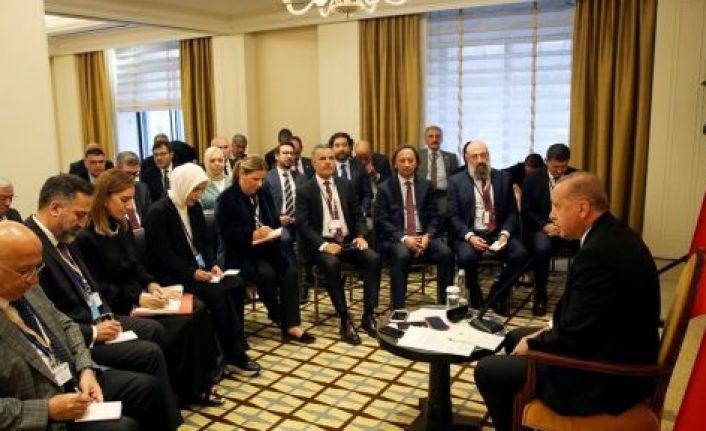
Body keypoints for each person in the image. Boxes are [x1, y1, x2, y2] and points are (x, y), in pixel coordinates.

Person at [474, 172, 661, 431]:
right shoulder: (611, 234)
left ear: (582, 208)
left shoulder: (599, 253)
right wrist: (541, 334)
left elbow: (573, 336)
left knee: (488, 370)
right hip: (610, 344)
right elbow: (583, 315)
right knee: (515, 336)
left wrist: (535, 342)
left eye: (557, 206)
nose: (551, 215)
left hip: (607, 376)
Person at [24, 174, 182, 430]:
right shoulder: (30, 246)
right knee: (149, 353)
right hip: (80, 335)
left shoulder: (64, 235)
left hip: (97, 318)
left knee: (154, 331)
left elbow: (90, 284)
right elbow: (51, 318)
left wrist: (106, 314)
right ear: (55, 208)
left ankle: (166, 410)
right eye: (79, 215)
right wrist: (95, 331)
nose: (83, 222)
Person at [0, 221, 175, 431]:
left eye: (37, 268)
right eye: (25, 271)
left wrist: (86, 369)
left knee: (147, 388)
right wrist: (48, 410)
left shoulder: (27, 287)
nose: (35, 279)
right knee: (123, 427)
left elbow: (67, 325)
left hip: (73, 379)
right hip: (38, 408)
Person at [74, 169, 223, 405]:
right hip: (119, 304)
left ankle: (200, 382)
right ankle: (183, 389)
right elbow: (99, 286)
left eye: (130, 200)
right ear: (104, 198)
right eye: (123, 200)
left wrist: (152, 284)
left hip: (138, 296)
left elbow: (136, 266)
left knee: (197, 308)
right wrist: (138, 298)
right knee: (183, 323)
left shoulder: (122, 225)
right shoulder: (85, 237)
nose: (129, 207)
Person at [144, 163, 260, 376]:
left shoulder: (194, 207)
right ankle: (231, 355)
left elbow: (205, 243)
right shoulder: (159, 212)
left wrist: (213, 263)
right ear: (183, 185)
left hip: (197, 271)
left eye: (201, 190)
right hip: (172, 276)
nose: (198, 195)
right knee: (218, 294)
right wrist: (192, 272)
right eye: (195, 189)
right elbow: (162, 254)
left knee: (235, 283)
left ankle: (232, 346)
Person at [217, 156, 315, 344]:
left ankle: (292, 324)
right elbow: (226, 234)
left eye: (262, 179)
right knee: (266, 273)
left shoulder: (263, 193)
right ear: (242, 174)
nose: (260, 184)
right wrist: (251, 235)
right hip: (241, 253)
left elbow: (274, 219)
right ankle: (278, 316)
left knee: (290, 271)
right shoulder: (227, 199)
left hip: (268, 247)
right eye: (255, 179)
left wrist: (272, 230)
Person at [296, 144, 381, 345]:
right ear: (314, 163)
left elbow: (358, 215)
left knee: (374, 259)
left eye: (331, 158)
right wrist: (324, 246)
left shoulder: (346, 185)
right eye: (323, 158)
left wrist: (360, 235)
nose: (328, 162)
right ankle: (344, 319)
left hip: (347, 241)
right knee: (332, 263)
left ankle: (368, 314)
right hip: (321, 245)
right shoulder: (305, 190)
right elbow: (303, 226)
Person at [447, 139, 528, 312]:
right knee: (466, 257)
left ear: (488, 156)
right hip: (470, 233)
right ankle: (475, 294)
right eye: (475, 156)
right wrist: (470, 237)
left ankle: (497, 293)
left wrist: (505, 234)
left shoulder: (504, 178)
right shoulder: (456, 181)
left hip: (497, 232)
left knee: (521, 255)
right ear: (467, 158)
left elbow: (512, 213)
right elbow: (453, 217)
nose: (480, 160)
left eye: (483, 155)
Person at [374, 145, 454, 310]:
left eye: (410, 160)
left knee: (446, 253)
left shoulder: (426, 185)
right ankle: (398, 309)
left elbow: (435, 216)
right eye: (402, 160)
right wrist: (404, 238)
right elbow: (381, 220)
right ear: (395, 164)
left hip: (423, 236)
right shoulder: (385, 188)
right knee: (401, 255)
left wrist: (428, 236)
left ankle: (444, 305)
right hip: (396, 238)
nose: (406, 164)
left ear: (417, 163)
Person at [521, 143, 578, 316]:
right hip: (541, 227)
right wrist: (544, 226)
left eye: (564, 166)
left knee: (587, 245)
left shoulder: (576, 177)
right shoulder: (532, 179)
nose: (559, 171)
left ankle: (576, 293)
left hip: (568, 226)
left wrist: (566, 224)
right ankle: (540, 292)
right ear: (546, 162)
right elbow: (526, 211)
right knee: (542, 248)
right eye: (555, 167)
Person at [263, 141, 306, 263]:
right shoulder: (267, 178)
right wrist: (277, 218)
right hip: (278, 223)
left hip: (299, 222)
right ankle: (292, 270)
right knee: (285, 239)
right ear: (276, 156)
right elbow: (264, 205)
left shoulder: (301, 177)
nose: (289, 156)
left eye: (292, 153)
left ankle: (306, 271)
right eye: (285, 153)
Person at [329, 132, 373, 218]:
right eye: (337, 146)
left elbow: (367, 194)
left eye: (344, 145)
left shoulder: (359, 166)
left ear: (350, 148)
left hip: (358, 214)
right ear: (331, 148)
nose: (341, 149)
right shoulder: (327, 168)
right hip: (334, 216)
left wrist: (363, 212)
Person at [418, 126, 459, 218]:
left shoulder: (451, 157)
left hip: (444, 197)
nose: (434, 139)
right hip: (423, 196)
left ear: (442, 139)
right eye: (431, 136)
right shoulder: (418, 156)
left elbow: (456, 179)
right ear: (425, 139)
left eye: (437, 136)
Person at [115, 151, 152, 229]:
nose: (131, 178)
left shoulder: (142, 189)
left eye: (135, 174)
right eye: (128, 173)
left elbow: (149, 218)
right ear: (117, 170)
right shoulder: (109, 192)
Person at [354, 139, 392, 212]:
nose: (363, 161)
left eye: (366, 157)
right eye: (360, 158)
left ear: (371, 153)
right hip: (363, 205)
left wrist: (375, 176)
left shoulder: (382, 160)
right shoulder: (353, 164)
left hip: (381, 201)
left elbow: (389, 185)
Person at [140, 138, 181, 202]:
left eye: (163, 154)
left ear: (171, 155)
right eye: (156, 155)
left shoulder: (181, 170)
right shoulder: (147, 176)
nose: (159, 158)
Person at [200, 146, 232, 212]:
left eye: (220, 160)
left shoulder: (232, 181)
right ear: (206, 163)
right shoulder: (200, 184)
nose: (217, 164)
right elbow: (197, 211)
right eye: (212, 161)